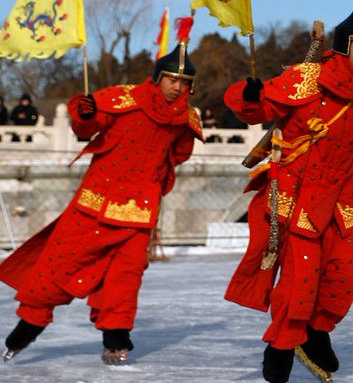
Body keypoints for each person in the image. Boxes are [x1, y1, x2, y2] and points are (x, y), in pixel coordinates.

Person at [223, 0, 353, 383]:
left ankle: (316, 332)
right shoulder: (306, 78)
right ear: (343, 47)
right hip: (297, 194)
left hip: (344, 199)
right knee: (300, 283)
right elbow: (255, 107)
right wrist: (247, 96)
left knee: (346, 280)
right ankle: (281, 349)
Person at [0, 39, 202, 365]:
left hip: (139, 208)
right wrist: (84, 112)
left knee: (127, 274)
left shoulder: (187, 119)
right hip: (96, 202)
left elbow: (179, 154)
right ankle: (27, 328)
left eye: (185, 82)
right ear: (156, 77)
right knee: (58, 264)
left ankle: (116, 338)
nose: (178, 87)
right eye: (172, 79)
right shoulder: (122, 98)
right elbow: (87, 126)